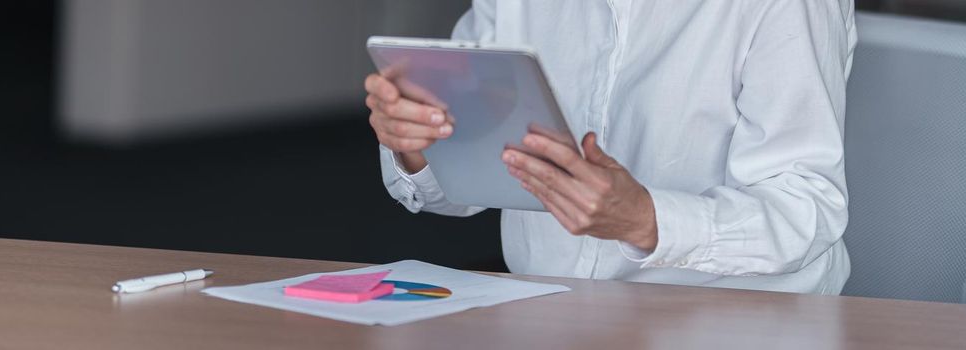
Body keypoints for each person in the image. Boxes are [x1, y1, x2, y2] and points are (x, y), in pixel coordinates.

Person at [364, 0, 856, 294]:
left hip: (739, 324)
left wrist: (647, 219)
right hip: (547, 313)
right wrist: (419, 144)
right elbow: (473, 182)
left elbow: (808, 206)